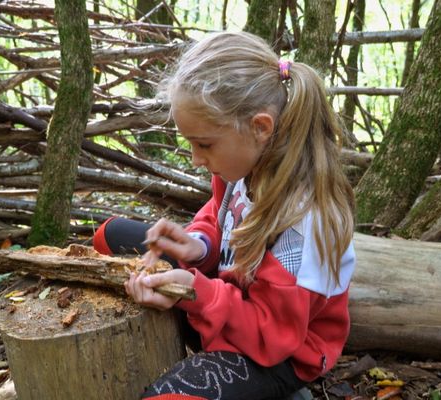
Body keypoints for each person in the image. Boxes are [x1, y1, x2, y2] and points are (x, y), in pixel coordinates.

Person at [93, 31, 356, 400]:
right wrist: (197, 246)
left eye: (204, 144)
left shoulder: (304, 225)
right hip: (228, 295)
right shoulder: (239, 169)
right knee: (110, 237)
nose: (196, 159)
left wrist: (195, 292)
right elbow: (218, 217)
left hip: (278, 353)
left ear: (260, 128)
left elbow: (273, 335)